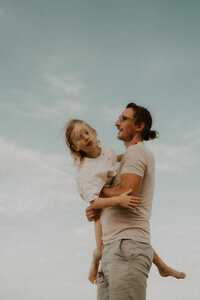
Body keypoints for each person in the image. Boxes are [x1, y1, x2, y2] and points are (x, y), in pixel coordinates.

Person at [64, 109, 185, 293]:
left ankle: (159, 265)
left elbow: (127, 193)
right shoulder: (88, 170)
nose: (116, 123)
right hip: (113, 245)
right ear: (76, 147)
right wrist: (97, 199)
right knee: (98, 236)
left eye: (123, 119)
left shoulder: (120, 152)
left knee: (104, 234)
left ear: (139, 126)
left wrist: (103, 194)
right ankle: (98, 259)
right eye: (80, 138)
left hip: (126, 248)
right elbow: (95, 201)